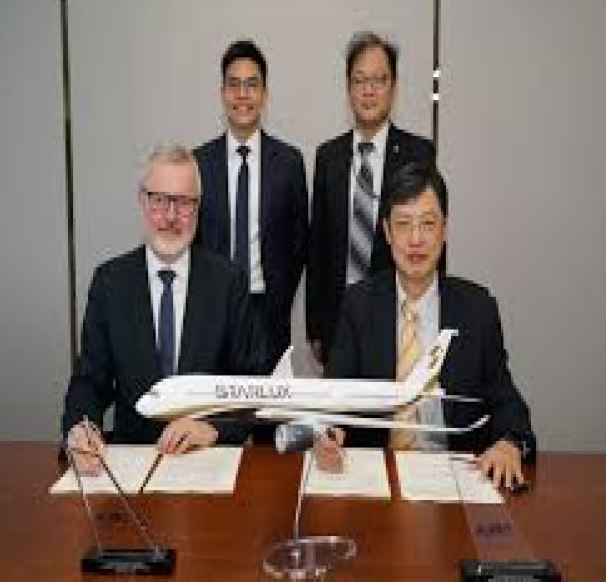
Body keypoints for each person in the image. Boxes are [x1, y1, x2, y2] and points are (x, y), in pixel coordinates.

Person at [317, 161, 536, 489]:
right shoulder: (358, 305)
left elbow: (506, 401)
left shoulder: (477, 308)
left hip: (457, 477)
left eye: (428, 224)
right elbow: (333, 399)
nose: (416, 239)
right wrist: (328, 435)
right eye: (403, 225)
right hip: (378, 477)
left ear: (444, 230)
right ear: (387, 232)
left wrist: (509, 442)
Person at [62, 144, 269, 474]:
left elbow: (255, 383)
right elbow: (89, 382)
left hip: (209, 463)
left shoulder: (228, 282)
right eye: (159, 200)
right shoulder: (110, 282)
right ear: (141, 201)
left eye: (184, 202)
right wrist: (81, 428)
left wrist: (214, 428)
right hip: (133, 463)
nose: (171, 216)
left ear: (198, 208)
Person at [306, 31, 435, 365]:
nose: (369, 90)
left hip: (397, 320)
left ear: (394, 86)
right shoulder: (328, 156)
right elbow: (317, 246)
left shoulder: (418, 154)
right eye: (360, 80)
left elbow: (431, 242)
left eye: (379, 80)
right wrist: (315, 326)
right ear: (348, 87)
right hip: (338, 322)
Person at [194, 39, 308, 370]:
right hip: (213, 309)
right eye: (234, 85)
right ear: (222, 93)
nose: (242, 95)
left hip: (268, 313)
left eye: (252, 84)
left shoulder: (289, 162)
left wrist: (280, 297)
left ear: (265, 94)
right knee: (216, 398)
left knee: (268, 399)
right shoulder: (199, 163)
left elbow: (300, 241)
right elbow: (193, 239)